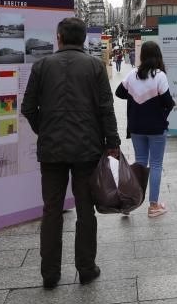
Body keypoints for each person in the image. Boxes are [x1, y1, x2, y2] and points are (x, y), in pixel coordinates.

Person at [21, 17, 121, 289]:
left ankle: (50, 273)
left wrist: (46, 129)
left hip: (51, 151)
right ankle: (86, 267)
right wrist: (112, 142)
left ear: (59, 38)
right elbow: (105, 107)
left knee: (51, 209)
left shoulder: (41, 66)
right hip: (87, 150)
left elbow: (28, 108)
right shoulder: (94, 66)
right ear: (83, 40)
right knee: (86, 209)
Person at [115, 41, 175, 218]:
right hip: (156, 127)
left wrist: (134, 95)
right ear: (158, 56)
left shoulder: (132, 74)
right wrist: (171, 104)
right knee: (156, 164)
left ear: (142, 56)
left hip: (136, 127)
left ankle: (128, 204)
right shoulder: (159, 75)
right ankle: (154, 206)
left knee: (140, 163)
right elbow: (166, 102)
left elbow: (119, 92)